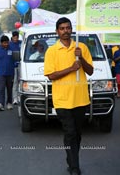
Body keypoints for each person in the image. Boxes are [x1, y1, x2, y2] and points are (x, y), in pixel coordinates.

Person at [44, 17, 93, 175]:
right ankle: (74, 167)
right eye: (62, 28)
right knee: (70, 133)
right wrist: (71, 68)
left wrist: (81, 58)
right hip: (62, 101)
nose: (66, 31)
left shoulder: (82, 47)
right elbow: (51, 75)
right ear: (57, 31)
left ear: (72, 29)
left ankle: (71, 159)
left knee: (77, 134)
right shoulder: (52, 51)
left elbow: (90, 71)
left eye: (68, 28)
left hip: (80, 99)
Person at [0, 35, 14, 111]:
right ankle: (1, 104)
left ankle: (9, 103)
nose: (6, 44)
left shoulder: (11, 50)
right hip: (1, 74)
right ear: (1, 43)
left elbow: (16, 59)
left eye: (7, 42)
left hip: (10, 73)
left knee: (9, 89)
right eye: (5, 43)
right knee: (1, 89)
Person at [9, 31, 21, 105]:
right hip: (13, 66)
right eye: (14, 37)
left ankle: (20, 97)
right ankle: (15, 98)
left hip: (20, 65)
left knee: (21, 82)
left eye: (17, 37)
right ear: (12, 37)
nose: (16, 38)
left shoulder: (21, 43)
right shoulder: (10, 44)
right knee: (15, 83)